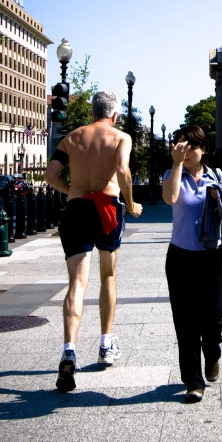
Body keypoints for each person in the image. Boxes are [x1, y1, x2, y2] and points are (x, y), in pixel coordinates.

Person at [44, 90, 143, 392]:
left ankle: (69, 351)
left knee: (77, 283)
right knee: (108, 276)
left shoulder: (71, 138)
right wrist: (131, 202)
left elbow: (50, 175)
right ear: (114, 115)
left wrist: (69, 189)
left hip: (75, 208)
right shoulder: (120, 137)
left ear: (92, 112)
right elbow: (123, 170)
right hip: (107, 208)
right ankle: (105, 344)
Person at [162, 125, 222, 403]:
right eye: (180, 144)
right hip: (180, 257)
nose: (186, 150)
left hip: (213, 257)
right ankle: (193, 381)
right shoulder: (172, 174)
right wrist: (176, 163)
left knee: (212, 320)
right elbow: (169, 198)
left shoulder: (216, 176)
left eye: (191, 145)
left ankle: (213, 354)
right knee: (186, 323)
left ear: (204, 149)